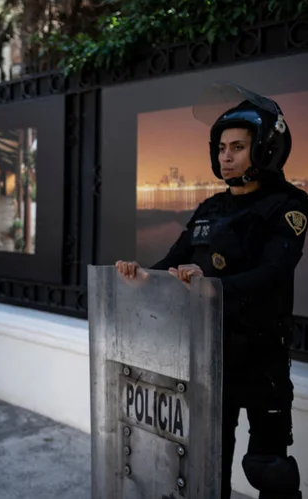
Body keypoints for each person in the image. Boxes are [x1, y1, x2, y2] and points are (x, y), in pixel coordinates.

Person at [116, 82, 304, 499]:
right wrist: (140, 276)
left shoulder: (287, 206)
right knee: (206, 464)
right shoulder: (210, 208)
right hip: (209, 358)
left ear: (265, 149)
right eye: (221, 147)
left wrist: (210, 286)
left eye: (237, 147)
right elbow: (170, 263)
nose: (226, 156)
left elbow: (273, 272)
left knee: (266, 467)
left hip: (262, 360)